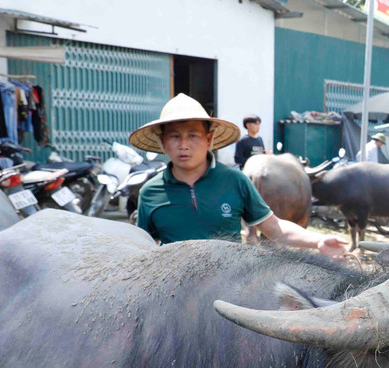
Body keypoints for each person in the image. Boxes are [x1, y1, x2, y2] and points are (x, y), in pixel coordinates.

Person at [131, 93, 347, 256]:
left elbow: (275, 227)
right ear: (162, 142)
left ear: (209, 140)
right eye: (175, 136)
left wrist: (318, 240)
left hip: (229, 290)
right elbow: (143, 249)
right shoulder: (150, 192)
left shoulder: (235, 181)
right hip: (173, 293)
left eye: (193, 136)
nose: (184, 145)